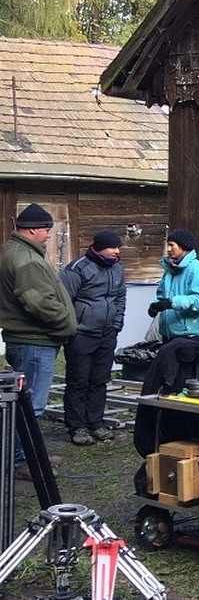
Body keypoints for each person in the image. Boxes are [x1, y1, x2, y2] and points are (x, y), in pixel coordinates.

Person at [0, 204, 77, 478]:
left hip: (30, 340)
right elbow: (38, 302)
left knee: (28, 403)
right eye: (46, 229)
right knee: (31, 406)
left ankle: (32, 455)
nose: (48, 234)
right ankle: (23, 461)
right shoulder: (27, 259)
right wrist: (65, 323)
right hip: (33, 342)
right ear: (32, 229)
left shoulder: (20, 252)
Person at [60, 229, 126, 446]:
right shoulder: (77, 269)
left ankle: (95, 422)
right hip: (81, 334)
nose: (117, 251)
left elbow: (120, 297)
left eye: (118, 247)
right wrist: (72, 329)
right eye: (113, 247)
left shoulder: (117, 268)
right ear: (99, 248)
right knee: (78, 381)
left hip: (107, 334)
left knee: (99, 380)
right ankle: (76, 426)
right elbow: (65, 302)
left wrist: (116, 325)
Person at [151, 229, 199, 343]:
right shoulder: (169, 269)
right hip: (168, 334)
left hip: (190, 336)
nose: (168, 249)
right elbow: (161, 295)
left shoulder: (198, 269)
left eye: (172, 245)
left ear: (183, 246)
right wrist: (154, 305)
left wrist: (172, 302)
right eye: (168, 245)